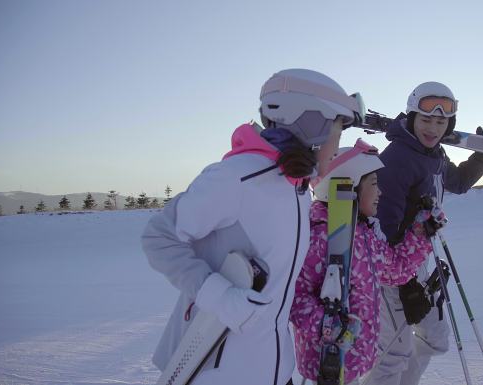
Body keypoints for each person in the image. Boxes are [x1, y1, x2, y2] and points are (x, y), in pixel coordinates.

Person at [141, 68, 365, 385]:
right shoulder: (238, 177)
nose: (337, 149)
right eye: (337, 136)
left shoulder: (297, 189)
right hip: (218, 372)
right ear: (313, 126)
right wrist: (221, 297)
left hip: (274, 367)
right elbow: (159, 238)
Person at [367, 82, 483, 385]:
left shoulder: (433, 153)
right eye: (426, 119)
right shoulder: (396, 160)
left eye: (441, 122)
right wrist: (403, 284)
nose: (433, 128)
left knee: (435, 339)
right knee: (393, 355)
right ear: (412, 118)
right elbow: (382, 233)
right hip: (391, 273)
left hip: (416, 267)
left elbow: (456, 182)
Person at [289, 139, 431, 385]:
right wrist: (326, 326)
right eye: (374, 184)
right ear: (349, 185)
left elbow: (395, 271)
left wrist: (420, 232)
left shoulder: (364, 234)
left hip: (355, 359)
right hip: (327, 362)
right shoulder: (318, 235)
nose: (381, 193)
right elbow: (294, 297)